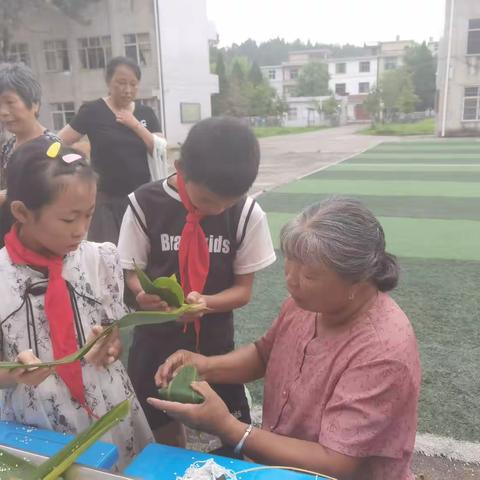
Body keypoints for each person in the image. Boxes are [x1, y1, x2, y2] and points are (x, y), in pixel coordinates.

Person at [148, 197, 421, 480]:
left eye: (309, 274)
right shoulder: (308, 304)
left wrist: (229, 427)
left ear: (358, 281)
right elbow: (265, 354)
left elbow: (335, 463)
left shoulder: (382, 352)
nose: (290, 279)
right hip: (275, 465)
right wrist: (205, 366)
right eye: (289, 263)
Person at [117, 116, 276, 446]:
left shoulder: (247, 214)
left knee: (227, 435)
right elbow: (131, 272)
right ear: (180, 168)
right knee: (159, 432)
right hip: (154, 343)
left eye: (228, 202)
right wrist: (141, 294)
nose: (218, 210)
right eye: (207, 201)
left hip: (214, 347)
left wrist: (207, 303)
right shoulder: (144, 204)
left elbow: (243, 291)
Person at [0, 137, 153, 469]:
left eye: (89, 215)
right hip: (37, 419)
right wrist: (13, 374)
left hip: (107, 403)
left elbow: (112, 331)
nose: (81, 230)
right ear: (22, 212)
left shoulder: (100, 260)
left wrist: (111, 345)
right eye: (69, 220)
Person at [58, 56, 162, 244]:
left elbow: (159, 148)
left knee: (140, 254)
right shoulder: (92, 111)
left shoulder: (145, 113)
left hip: (141, 198)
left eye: (133, 84)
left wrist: (135, 125)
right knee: (107, 254)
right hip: (105, 200)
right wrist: (77, 168)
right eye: (121, 83)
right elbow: (59, 142)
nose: (127, 89)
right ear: (108, 81)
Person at [0, 63, 59, 242]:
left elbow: (55, 195)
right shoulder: (7, 147)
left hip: (37, 242)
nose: (3, 112)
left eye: (10, 102)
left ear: (34, 104)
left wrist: (6, 196)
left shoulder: (52, 146)